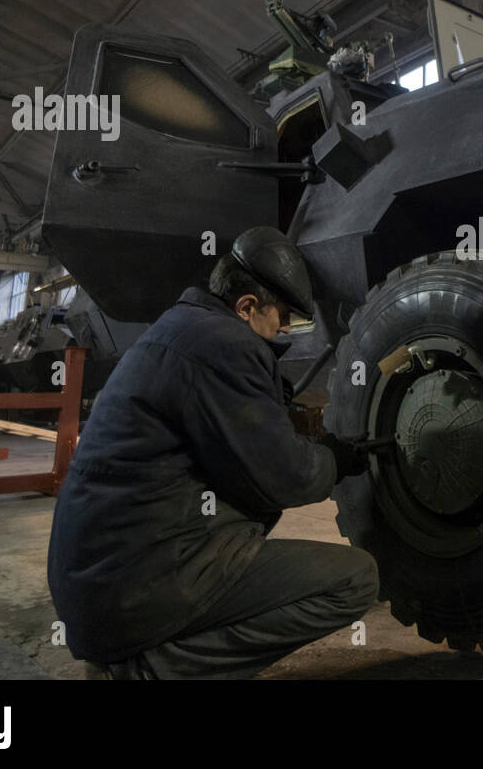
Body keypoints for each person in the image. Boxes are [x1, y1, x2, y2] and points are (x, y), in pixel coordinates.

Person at [48, 226, 377, 678]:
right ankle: (151, 671)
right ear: (246, 306)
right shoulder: (226, 345)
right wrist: (335, 459)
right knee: (354, 579)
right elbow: (286, 476)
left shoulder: (180, 329)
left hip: (103, 577)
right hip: (132, 585)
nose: (284, 329)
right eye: (282, 316)